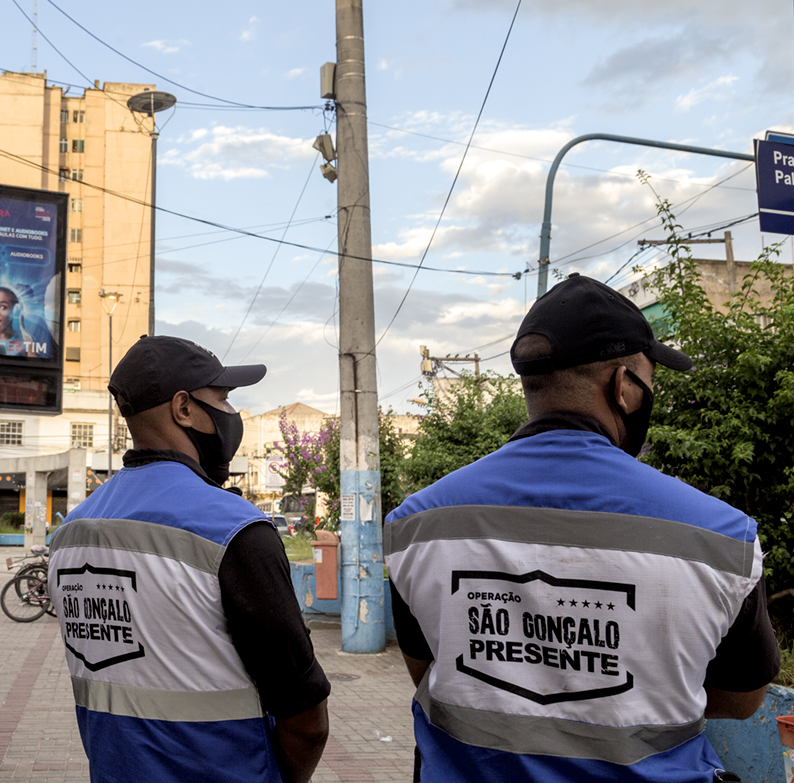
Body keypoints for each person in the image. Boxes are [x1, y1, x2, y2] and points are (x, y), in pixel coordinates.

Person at [384, 273, 780, 782]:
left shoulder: (416, 524)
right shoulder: (722, 535)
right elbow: (742, 699)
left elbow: (428, 669)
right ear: (623, 387)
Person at [48, 335, 330, 783]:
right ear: (183, 409)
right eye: (222, 398)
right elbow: (306, 720)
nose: (231, 414)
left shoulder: (70, 533)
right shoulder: (234, 528)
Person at [0, 286, 37, 358]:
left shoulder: (25, 340)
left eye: (3, 307)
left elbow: (34, 366)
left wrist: (29, 345)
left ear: (15, 310)